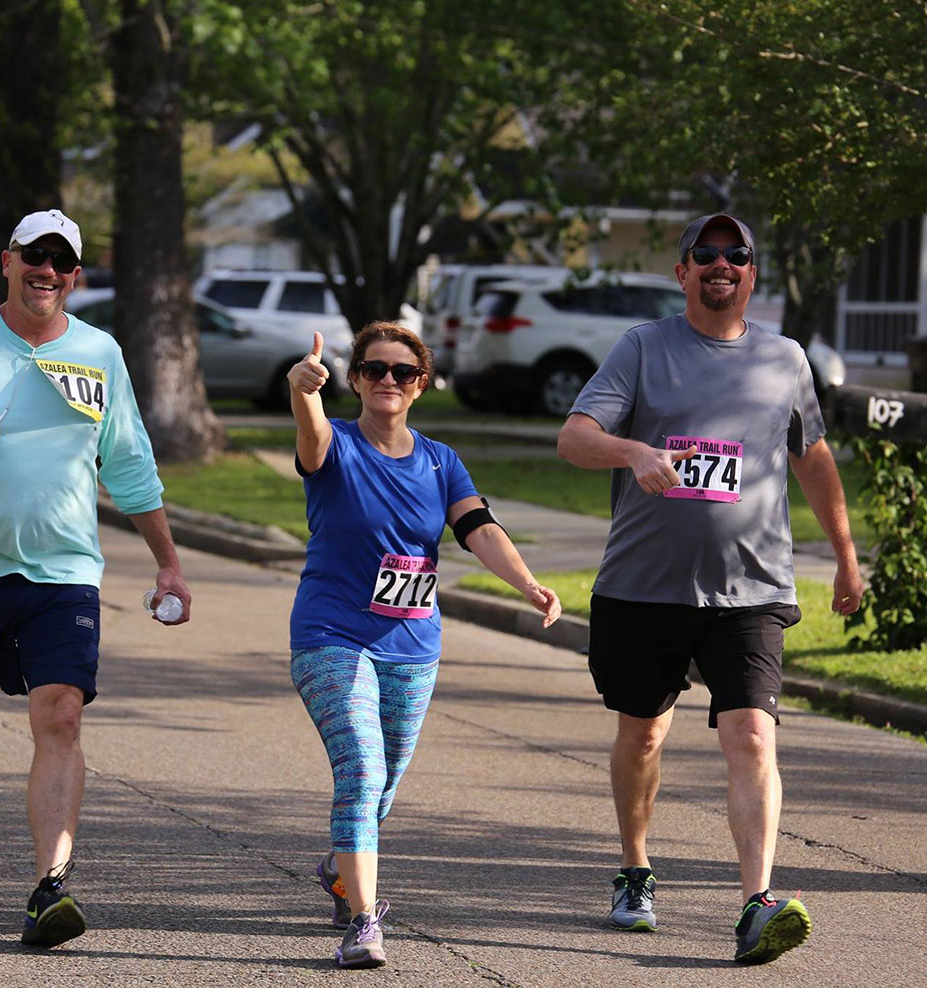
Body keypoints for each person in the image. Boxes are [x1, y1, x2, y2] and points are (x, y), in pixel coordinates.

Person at [557, 214, 864, 965]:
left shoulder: (786, 358)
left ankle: (757, 902)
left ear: (753, 273)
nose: (722, 265)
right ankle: (635, 870)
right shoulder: (642, 347)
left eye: (737, 256)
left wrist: (847, 558)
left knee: (752, 734)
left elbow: (813, 459)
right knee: (643, 732)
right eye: (707, 255)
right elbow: (573, 439)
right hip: (643, 587)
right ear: (683, 270)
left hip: (750, 589)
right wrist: (632, 451)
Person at [0, 209, 192, 949]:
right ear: (7, 262)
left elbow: (128, 465)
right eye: (34, 255)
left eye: (61, 259)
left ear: (76, 275)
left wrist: (168, 560)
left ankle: (50, 887)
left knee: (61, 713)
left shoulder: (99, 352)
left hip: (65, 573)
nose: (46, 269)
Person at [287, 321, 562, 969]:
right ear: (354, 379)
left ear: (421, 385)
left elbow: (479, 529)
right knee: (361, 768)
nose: (388, 381)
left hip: (413, 643)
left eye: (402, 372)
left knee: (384, 787)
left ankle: (339, 865)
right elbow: (311, 434)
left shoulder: (440, 460)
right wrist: (303, 393)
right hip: (332, 635)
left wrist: (526, 583)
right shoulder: (336, 444)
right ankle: (362, 922)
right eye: (375, 369)